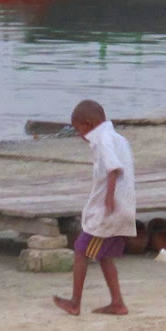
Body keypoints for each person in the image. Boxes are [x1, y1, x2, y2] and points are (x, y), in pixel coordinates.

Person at [53, 100, 136, 316]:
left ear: (87, 124)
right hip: (120, 207)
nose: (78, 134)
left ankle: (74, 303)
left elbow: (113, 169)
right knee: (103, 254)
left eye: (77, 128)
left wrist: (108, 198)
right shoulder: (117, 138)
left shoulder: (103, 139)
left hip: (109, 210)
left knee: (81, 250)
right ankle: (117, 303)